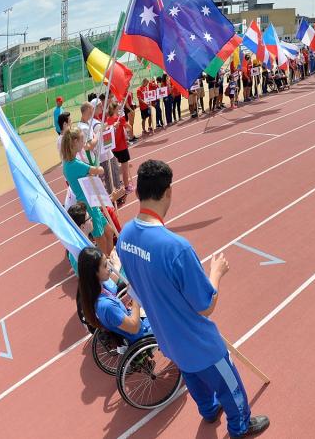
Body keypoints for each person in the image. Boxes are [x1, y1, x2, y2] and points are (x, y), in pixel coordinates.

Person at [117, 160, 270, 438]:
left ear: (138, 192)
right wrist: (216, 273)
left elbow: (135, 286)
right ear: (168, 192)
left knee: (191, 375)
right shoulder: (176, 248)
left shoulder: (125, 236)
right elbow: (205, 306)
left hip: (167, 339)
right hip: (199, 343)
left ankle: (209, 410)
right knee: (230, 386)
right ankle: (240, 426)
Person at [77, 246, 152, 343]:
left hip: (134, 325)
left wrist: (129, 295)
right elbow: (134, 328)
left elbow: (116, 308)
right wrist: (135, 298)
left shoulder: (97, 293)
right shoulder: (106, 306)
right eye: (105, 266)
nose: (109, 268)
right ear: (94, 273)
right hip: (141, 335)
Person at [60, 127, 113, 255]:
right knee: (101, 240)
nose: (84, 143)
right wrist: (97, 166)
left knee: (109, 232)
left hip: (90, 200)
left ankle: (111, 260)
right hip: (88, 204)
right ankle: (105, 265)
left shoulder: (69, 162)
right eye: (82, 141)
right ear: (74, 142)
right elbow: (99, 170)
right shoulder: (74, 164)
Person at [105, 102, 133, 193]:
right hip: (121, 147)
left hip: (113, 148)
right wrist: (127, 131)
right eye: (117, 109)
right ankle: (127, 187)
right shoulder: (119, 119)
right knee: (125, 168)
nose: (119, 110)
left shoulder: (108, 119)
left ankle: (117, 186)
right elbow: (129, 127)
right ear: (114, 110)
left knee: (115, 168)